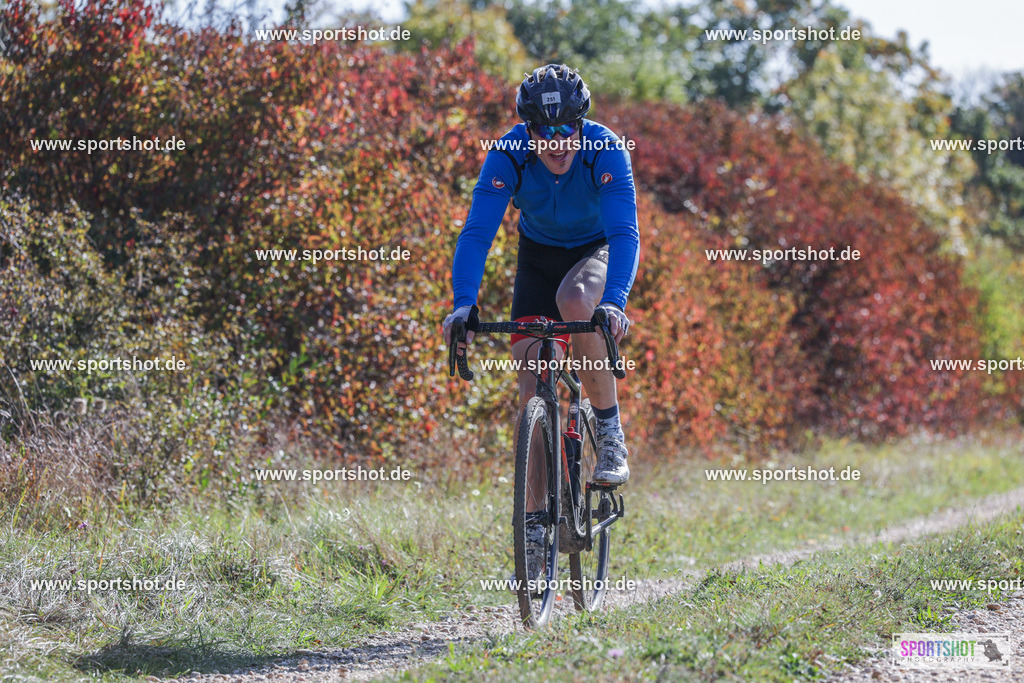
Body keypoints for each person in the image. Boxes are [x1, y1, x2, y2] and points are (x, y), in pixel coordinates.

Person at [442, 63, 640, 584]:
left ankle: (610, 429)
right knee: (532, 380)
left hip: (593, 252)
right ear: (527, 130)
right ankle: (534, 525)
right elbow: (478, 232)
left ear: (582, 124)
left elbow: (624, 235)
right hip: (536, 257)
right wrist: (464, 304)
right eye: (543, 132)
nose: (556, 143)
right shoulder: (508, 154)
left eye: (567, 129)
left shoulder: (606, 151)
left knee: (577, 300)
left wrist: (615, 302)